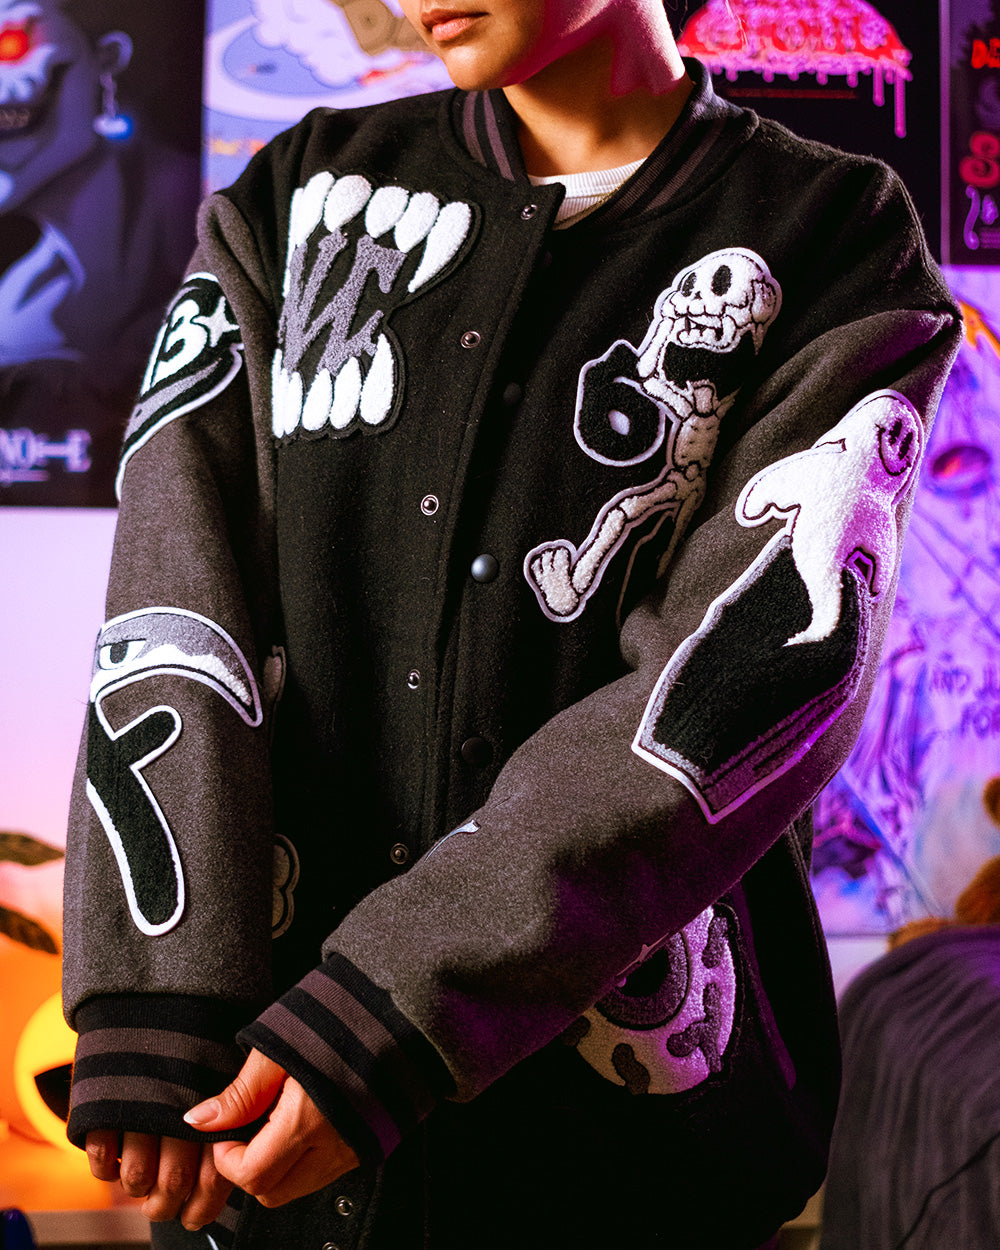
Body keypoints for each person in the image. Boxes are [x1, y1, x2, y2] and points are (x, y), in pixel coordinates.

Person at [61, 1, 961, 1246]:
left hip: (630, 1161)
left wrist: (396, 1006)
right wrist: (157, 989)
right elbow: (175, 576)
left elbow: (760, 667)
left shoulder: (830, 231)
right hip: (265, 1111)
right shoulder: (299, 193)